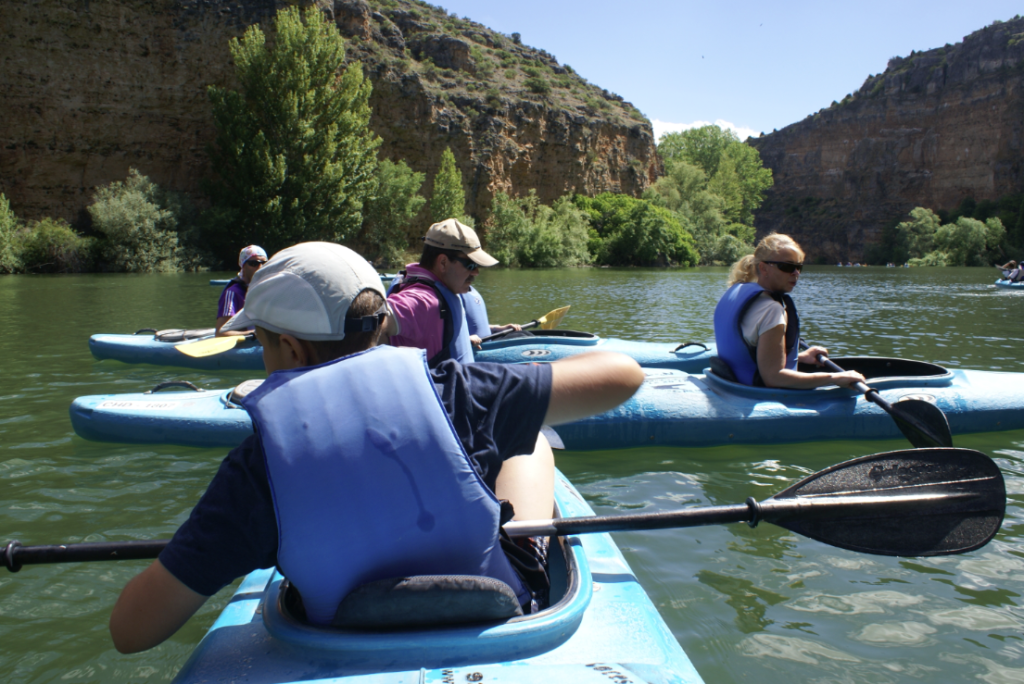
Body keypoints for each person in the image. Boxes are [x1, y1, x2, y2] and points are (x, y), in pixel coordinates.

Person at [108, 241, 644, 653]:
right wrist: (512, 386)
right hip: (496, 607)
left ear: (289, 348)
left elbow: (131, 631)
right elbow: (623, 375)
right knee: (532, 447)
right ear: (383, 325)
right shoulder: (458, 391)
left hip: (334, 629)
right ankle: (529, 548)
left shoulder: (255, 468)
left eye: (262, 342)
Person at [713, 233, 865, 389]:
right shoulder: (771, 310)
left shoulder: (735, 290)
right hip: (753, 392)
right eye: (787, 267)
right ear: (763, 268)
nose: (796, 273)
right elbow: (773, 378)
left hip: (730, 383)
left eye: (798, 267)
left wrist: (799, 358)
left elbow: (747, 357)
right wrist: (833, 377)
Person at [386, 218, 497, 366]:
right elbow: (374, 320)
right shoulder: (424, 300)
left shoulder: (438, 292)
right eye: (471, 265)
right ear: (443, 263)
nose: (476, 272)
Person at [215, 245, 267, 336]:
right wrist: (252, 334)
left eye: (264, 263)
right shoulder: (233, 293)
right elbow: (221, 333)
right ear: (243, 266)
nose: (260, 268)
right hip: (246, 343)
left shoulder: (266, 290)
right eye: (254, 264)